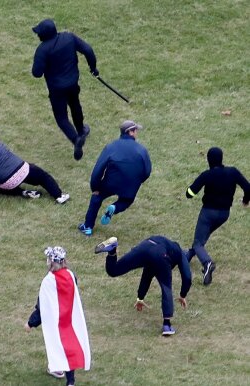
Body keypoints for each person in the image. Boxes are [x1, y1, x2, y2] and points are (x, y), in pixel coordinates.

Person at [94, 236, 191, 335]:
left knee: (114, 270)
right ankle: (167, 325)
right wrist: (183, 295)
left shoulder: (166, 246)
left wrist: (140, 297)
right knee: (166, 286)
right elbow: (187, 276)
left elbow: (147, 276)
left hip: (144, 246)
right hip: (160, 253)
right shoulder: (180, 253)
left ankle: (112, 251)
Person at [31, 19, 98, 161]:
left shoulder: (42, 49)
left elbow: (36, 73)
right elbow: (88, 50)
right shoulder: (69, 37)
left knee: (61, 118)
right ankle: (81, 130)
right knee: (75, 105)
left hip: (56, 89)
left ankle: (76, 139)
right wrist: (93, 68)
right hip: (73, 82)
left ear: (43, 35)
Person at [25, 246, 90, 386]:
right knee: (69, 347)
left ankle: (65, 375)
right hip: (69, 319)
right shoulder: (70, 276)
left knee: (58, 346)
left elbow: (42, 306)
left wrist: (31, 322)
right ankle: (67, 378)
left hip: (57, 322)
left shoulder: (48, 281)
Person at [185, 147, 250, 285]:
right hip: (224, 214)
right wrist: (245, 200)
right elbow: (248, 187)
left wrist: (189, 191)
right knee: (201, 237)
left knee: (198, 242)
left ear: (208, 160)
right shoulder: (233, 172)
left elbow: (190, 193)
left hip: (208, 213)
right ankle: (186, 257)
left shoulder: (207, 175)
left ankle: (207, 264)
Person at [78, 120, 151, 236]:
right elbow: (147, 171)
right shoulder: (142, 150)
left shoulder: (111, 146)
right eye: (135, 130)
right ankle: (114, 207)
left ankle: (87, 227)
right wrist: (137, 181)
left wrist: (95, 187)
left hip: (112, 181)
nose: (137, 132)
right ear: (130, 132)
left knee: (97, 197)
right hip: (131, 184)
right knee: (126, 200)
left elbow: (99, 168)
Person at [0, 128, 70, 204]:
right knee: (43, 176)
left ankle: (23, 192)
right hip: (23, 169)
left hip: (6, 182)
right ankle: (59, 196)